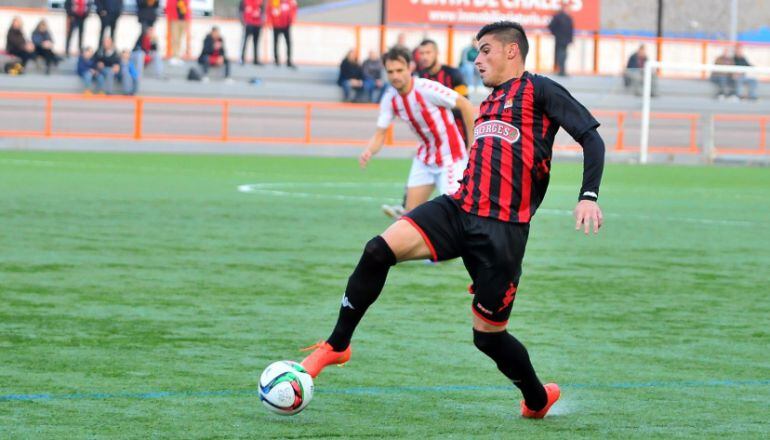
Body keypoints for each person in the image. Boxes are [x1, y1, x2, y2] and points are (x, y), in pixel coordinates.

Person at [300, 21, 605, 420]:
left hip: (503, 233)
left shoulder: (540, 90)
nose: (477, 60)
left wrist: (588, 195)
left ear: (512, 51)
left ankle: (536, 398)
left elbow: (591, 137)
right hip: (458, 208)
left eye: (485, 51)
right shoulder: (489, 102)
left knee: (488, 338)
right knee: (377, 250)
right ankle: (337, 345)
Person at [360, 46, 475, 225]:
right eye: (390, 72)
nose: (395, 76)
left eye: (400, 70)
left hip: (450, 157)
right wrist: (369, 151)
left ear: (410, 68)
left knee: (456, 218)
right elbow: (380, 133)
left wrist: (472, 145)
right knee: (409, 219)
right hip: (425, 158)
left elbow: (465, 105)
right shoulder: (390, 98)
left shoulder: (426, 88)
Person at [268, 0, 296, 68]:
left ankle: (289, 60)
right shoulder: (274, 1)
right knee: (276, 42)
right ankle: (276, 59)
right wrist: (270, 22)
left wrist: (291, 20)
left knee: (288, 43)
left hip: (286, 25)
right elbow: (270, 11)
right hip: (276, 25)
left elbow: (293, 10)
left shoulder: (289, 1)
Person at [547, 4, 573, 76]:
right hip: (559, 39)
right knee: (560, 54)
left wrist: (571, 40)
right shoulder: (558, 17)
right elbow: (551, 26)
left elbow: (570, 30)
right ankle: (561, 70)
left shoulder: (568, 17)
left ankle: (562, 70)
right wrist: (555, 34)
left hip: (566, 40)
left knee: (564, 55)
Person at [240, 0, 264, 65]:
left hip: (257, 24)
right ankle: (242, 58)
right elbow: (241, 11)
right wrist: (243, 22)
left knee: (256, 42)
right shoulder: (245, 1)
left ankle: (255, 59)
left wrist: (262, 22)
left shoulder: (260, 1)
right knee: (245, 41)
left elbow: (262, 12)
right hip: (249, 24)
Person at [166, 0, 191, 65]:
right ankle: (174, 56)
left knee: (180, 39)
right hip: (175, 19)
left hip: (183, 19)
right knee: (175, 38)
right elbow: (169, 6)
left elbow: (187, 4)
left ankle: (178, 57)